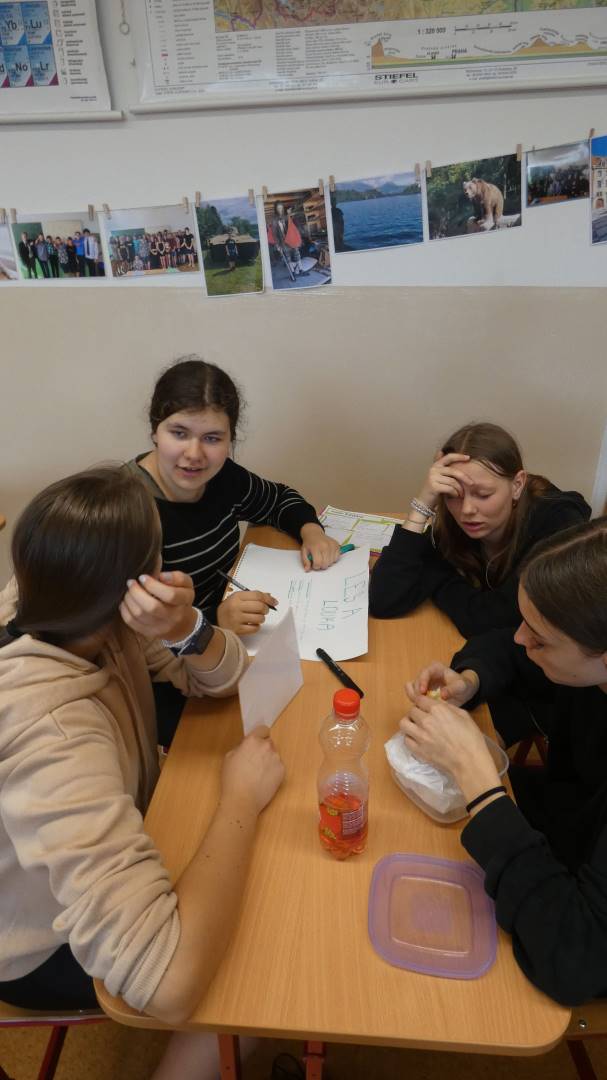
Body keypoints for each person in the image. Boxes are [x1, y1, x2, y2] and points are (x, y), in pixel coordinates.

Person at [0, 466, 284, 1080]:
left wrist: (185, 628)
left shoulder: (79, 606)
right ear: (139, 577)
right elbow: (169, 982)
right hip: (34, 943)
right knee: (257, 965)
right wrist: (239, 800)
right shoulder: (55, 741)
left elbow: (225, 679)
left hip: (106, 838)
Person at [400, 516, 607, 1006]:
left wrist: (479, 783)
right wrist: (470, 679)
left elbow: (576, 958)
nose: (520, 638)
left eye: (540, 638)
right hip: (562, 828)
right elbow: (508, 649)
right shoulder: (586, 668)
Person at [125, 357, 340, 638]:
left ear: (230, 439)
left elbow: (278, 499)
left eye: (212, 438)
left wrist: (311, 531)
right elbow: (130, 634)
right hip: (181, 653)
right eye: (179, 433)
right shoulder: (124, 510)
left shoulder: (222, 477)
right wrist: (215, 619)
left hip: (229, 635)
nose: (194, 454)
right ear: (155, 431)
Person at [370, 422, 590, 637]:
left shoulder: (558, 524)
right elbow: (384, 601)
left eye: (483, 495)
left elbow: (491, 619)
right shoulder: (451, 525)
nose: (467, 510)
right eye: (453, 495)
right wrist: (422, 506)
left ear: (517, 485)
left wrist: (440, 579)